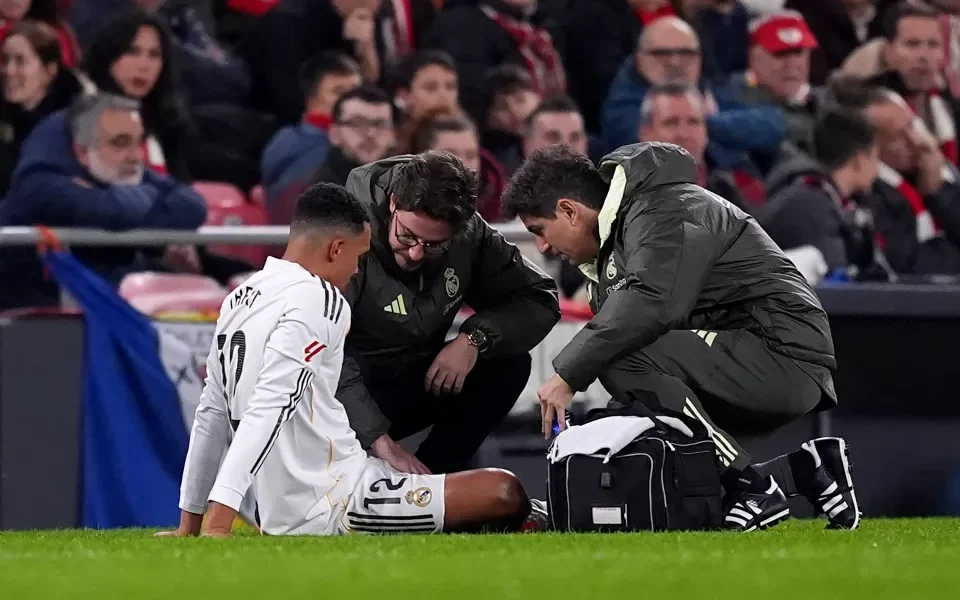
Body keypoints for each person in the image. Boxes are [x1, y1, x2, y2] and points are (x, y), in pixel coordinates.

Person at [502, 143, 860, 531]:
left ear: (570, 211)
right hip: (747, 354)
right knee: (662, 453)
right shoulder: (614, 254)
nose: (543, 247)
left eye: (539, 231)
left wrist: (569, 372)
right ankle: (808, 469)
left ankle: (754, 489)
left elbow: (655, 301)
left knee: (621, 358)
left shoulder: (664, 208)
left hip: (782, 352)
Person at [161, 183, 532, 537]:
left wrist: (189, 523)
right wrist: (219, 522)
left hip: (294, 503)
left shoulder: (239, 298)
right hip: (342, 499)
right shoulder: (319, 298)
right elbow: (270, 406)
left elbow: (211, 414)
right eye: (358, 257)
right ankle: (535, 516)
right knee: (505, 490)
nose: (357, 270)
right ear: (336, 249)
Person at [339, 151, 560, 476]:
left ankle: (429, 484)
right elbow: (322, 351)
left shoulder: (470, 234)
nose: (416, 253)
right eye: (407, 236)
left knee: (508, 365)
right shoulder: (345, 229)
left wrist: (474, 338)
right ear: (393, 203)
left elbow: (539, 297)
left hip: (411, 377)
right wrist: (379, 440)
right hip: (338, 396)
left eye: (434, 245)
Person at [0, 92, 207, 310]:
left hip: (106, 305)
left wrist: (130, 204)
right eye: (120, 143)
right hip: (30, 315)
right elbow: (109, 210)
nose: (136, 156)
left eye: (139, 142)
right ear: (81, 152)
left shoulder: (118, 167)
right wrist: (147, 197)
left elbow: (192, 206)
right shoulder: (40, 184)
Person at [759, 108, 880, 279]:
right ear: (859, 160)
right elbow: (832, 284)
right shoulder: (808, 206)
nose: (877, 170)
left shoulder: (837, 201)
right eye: (875, 158)